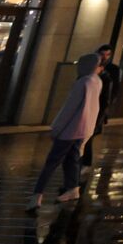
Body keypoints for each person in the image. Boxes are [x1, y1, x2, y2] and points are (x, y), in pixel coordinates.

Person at [28, 53, 102, 211]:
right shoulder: (96, 81)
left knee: (52, 162)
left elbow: (69, 108)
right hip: (84, 129)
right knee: (72, 159)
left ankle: (37, 194)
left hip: (70, 130)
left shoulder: (83, 82)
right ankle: (72, 188)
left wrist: (57, 128)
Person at [82, 44, 120, 168]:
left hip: (98, 107)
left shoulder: (110, 73)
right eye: (103, 54)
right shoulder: (90, 71)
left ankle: (85, 163)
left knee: (88, 137)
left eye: (107, 55)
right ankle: (82, 163)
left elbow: (111, 93)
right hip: (89, 106)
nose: (105, 57)